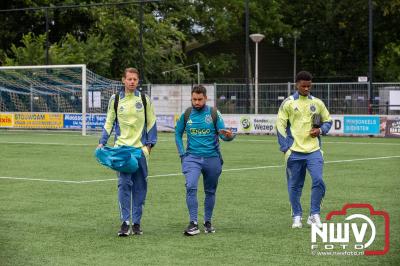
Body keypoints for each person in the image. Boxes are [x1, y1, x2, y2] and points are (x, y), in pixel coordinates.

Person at [98, 67, 157, 236]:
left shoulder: (145, 100)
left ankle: (136, 223)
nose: (132, 82)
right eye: (129, 79)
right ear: (123, 80)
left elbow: (152, 123)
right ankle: (125, 222)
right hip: (122, 151)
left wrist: (149, 147)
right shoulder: (115, 99)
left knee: (140, 187)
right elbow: (109, 122)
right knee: (123, 185)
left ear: (138, 81)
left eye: (135, 79)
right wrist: (102, 142)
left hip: (139, 151)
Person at [175, 85, 235, 236]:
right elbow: (177, 133)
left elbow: (223, 134)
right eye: (194, 99)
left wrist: (229, 136)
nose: (196, 102)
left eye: (200, 99)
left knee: (210, 191)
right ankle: (193, 223)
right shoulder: (187, 114)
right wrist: (182, 154)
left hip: (212, 158)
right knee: (191, 186)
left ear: (206, 98)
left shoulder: (214, 113)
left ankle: (207, 221)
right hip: (191, 158)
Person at [276, 71, 332, 229]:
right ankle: (297, 216)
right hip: (294, 152)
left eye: (309, 86)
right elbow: (280, 125)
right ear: (297, 85)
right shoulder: (288, 103)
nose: (307, 88)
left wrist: (320, 131)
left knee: (319, 181)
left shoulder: (318, 103)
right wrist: (285, 147)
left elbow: (327, 121)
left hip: (314, 151)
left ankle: (314, 215)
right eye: (303, 86)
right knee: (294, 185)